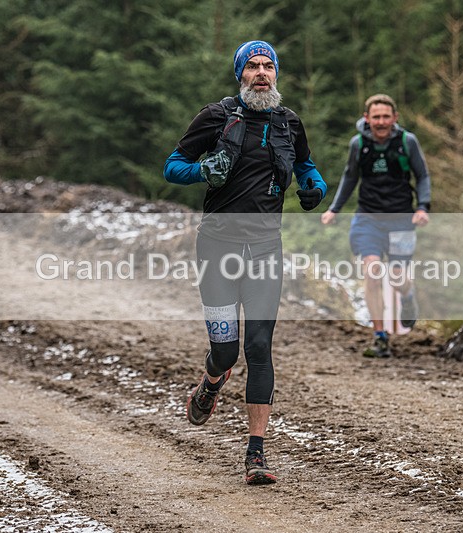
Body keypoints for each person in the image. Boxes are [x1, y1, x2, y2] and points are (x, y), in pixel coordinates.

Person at [163, 40, 327, 485]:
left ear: (276, 74)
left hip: (265, 251)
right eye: (252, 66)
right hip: (216, 248)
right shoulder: (216, 116)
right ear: (241, 75)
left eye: (268, 66)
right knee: (225, 350)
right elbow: (172, 165)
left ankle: (256, 454)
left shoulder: (288, 122)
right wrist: (202, 171)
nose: (261, 73)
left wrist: (316, 188)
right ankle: (212, 382)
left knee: (258, 347)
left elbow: (308, 166)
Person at [320, 94, 431, 358]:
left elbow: (422, 175)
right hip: (368, 217)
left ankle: (408, 297)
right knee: (371, 273)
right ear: (367, 118)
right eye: (376, 117)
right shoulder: (358, 145)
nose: (380, 122)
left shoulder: (407, 142)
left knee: (396, 277)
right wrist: (334, 208)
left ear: (394, 118)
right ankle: (380, 336)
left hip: (401, 219)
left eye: (385, 117)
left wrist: (423, 206)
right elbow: (350, 177)